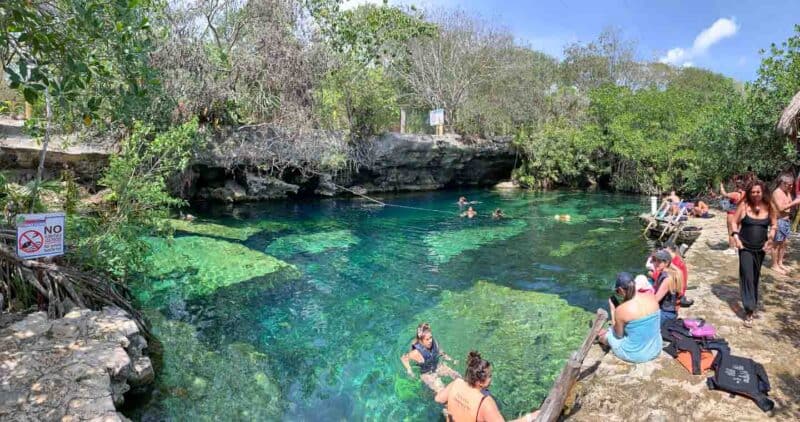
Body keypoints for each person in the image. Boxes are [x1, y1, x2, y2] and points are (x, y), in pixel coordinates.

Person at [435, 351, 540, 422]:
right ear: (480, 382)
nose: (491, 378)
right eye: (489, 376)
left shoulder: (456, 383)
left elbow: (438, 399)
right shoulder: (485, 402)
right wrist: (530, 417)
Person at [731, 180, 776, 327]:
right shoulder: (744, 206)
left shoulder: (769, 206)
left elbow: (774, 224)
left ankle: (752, 303)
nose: (755, 194)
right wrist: (736, 237)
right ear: (749, 193)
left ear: (763, 192)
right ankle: (749, 309)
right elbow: (733, 222)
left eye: (758, 192)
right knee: (747, 276)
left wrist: (770, 237)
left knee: (755, 277)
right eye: (752, 192)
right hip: (745, 246)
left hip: (760, 248)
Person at [597, 272, 661, 363]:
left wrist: (613, 310)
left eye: (617, 291)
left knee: (604, 335)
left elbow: (618, 335)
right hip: (656, 348)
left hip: (636, 354)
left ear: (621, 290)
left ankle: (600, 337)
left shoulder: (621, 310)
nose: (618, 294)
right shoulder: (651, 297)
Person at [401, 323, 461, 393]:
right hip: (427, 374)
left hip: (438, 366)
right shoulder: (416, 353)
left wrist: (450, 359)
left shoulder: (434, 342)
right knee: (442, 390)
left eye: (431, 337)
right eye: (427, 339)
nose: (430, 341)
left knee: (457, 376)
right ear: (421, 341)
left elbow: (440, 352)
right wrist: (409, 370)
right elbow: (404, 358)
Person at [770, 174, 800, 275]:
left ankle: (780, 262)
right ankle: (774, 265)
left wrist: (795, 199)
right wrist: (795, 202)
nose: (791, 187)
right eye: (788, 185)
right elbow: (781, 208)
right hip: (779, 220)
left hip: (786, 221)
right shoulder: (777, 193)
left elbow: (790, 205)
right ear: (782, 183)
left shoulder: (786, 192)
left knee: (784, 243)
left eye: (792, 185)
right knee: (776, 244)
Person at [651, 249, 683, 322]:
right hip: (670, 311)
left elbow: (656, 300)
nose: (655, 263)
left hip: (665, 314)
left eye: (659, 261)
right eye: (654, 260)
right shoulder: (672, 273)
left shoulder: (667, 279)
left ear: (666, 263)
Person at [721, 181, 745, 252]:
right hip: (740, 215)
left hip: (732, 214)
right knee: (738, 231)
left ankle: (731, 248)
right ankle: (737, 247)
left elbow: (724, 194)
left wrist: (721, 186)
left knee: (731, 232)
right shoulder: (745, 194)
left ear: (737, 186)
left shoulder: (735, 194)